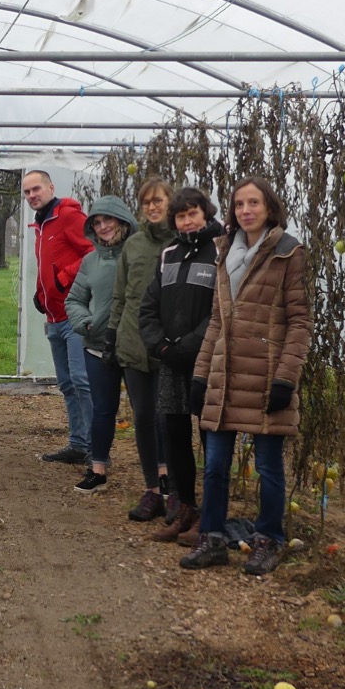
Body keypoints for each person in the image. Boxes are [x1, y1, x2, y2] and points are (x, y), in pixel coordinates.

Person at [181, 176, 311, 575]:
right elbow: (217, 322)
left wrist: (286, 379)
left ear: (269, 208)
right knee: (216, 463)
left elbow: (300, 321)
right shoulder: (224, 253)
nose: (245, 210)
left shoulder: (288, 253)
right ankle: (213, 538)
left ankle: (268, 539)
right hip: (226, 373)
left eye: (253, 203)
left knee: (268, 465)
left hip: (267, 375)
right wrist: (202, 376)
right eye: (239, 204)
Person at [139, 187, 226, 546]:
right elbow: (149, 307)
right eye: (180, 216)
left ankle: (210, 515)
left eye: (193, 213)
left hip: (207, 362)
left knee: (210, 438)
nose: (187, 220)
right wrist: (160, 345)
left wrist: (189, 347)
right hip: (172, 362)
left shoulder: (221, 251)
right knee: (174, 436)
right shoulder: (169, 253)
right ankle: (186, 509)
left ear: (206, 213)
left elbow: (220, 310)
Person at [109, 177, 176, 521]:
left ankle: (174, 490)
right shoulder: (133, 246)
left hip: (169, 345)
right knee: (145, 417)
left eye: (158, 200)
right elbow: (121, 295)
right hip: (134, 343)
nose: (152, 206)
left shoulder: (182, 243)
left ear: (170, 202)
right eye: (147, 202)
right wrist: (113, 332)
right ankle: (152, 488)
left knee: (170, 420)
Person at [64, 195, 136, 493]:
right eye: (97, 222)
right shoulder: (90, 261)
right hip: (97, 345)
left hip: (135, 347)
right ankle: (98, 469)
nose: (103, 226)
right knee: (103, 409)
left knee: (146, 412)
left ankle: (159, 475)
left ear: (122, 220)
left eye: (108, 219)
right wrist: (85, 322)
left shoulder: (139, 254)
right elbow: (75, 299)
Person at [23, 170, 94, 464]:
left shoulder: (68, 216)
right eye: (27, 192)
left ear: (51, 187)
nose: (31, 196)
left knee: (81, 380)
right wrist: (41, 293)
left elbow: (92, 251)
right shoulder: (41, 224)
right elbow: (46, 265)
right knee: (66, 383)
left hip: (75, 315)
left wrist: (64, 278)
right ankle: (78, 444)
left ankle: (95, 448)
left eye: (36, 189)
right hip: (53, 317)